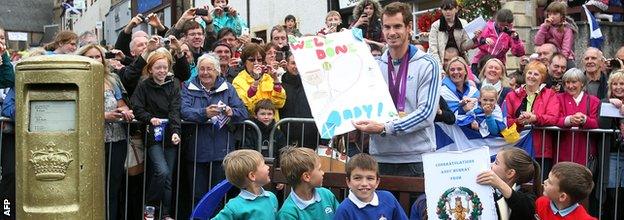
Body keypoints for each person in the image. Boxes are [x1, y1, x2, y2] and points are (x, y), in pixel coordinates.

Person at [352, 2, 441, 177]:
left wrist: (385, 127)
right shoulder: (374, 65)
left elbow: (426, 113)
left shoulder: (427, 64)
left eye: (397, 26)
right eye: (387, 27)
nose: (392, 32)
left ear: (409, 27)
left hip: (416, 158)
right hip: (381, 157)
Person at [76, 44, 135, 220]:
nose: (95, 60)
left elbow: (121, 103)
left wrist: (126, 112)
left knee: (113, 186)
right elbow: (76, 110)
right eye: (90, 57)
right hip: (90, 141)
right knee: (91, 186)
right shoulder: (77, 79)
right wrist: (103, 116)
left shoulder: (112, 79)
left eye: (98, 57)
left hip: (116, 140)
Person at [180, 54, 248, 203]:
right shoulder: (188, 87)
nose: (205, 73)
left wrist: (231, 111)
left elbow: (243, 112)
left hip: (221, 152)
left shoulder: (228, 88)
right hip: (196, 151)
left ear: (217, 71)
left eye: (209, 69)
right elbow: (184, 111)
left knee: (218, 196)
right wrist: (204, 113)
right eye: (202, 69)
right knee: (197, 196)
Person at [130, 49, 182, 219]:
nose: (161, 71)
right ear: (150, 69)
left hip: (169, 134)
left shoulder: (173, 84)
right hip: (152, 135)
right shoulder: (144, 85)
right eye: (157, 67)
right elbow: (136, 107)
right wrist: (149, 118)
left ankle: (165, 213)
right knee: (161, 171)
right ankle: (150, 208)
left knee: (168, 179)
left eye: (164, 67)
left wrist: (176, 132)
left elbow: (175, 110)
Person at [504, 61, 560, 176]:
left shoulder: (550, 94)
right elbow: (507, 120)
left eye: (536, 74)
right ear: (525, 74)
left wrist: (535, 118)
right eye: (530, 73)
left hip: (541, 149)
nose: (532, 77)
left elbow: (553, 118)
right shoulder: (512, 95)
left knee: (539, 185)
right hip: (517, 147)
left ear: (542, 78)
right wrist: (518, 121)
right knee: (517, 185)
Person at [334, 153, 408, 220]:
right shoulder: (344, 210)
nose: (364, 183)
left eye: (370, 178)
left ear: (377, 182)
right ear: (348, 182)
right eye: (357, 178)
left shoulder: (388, 199)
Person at [476, 147, 541, 220]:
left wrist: (500, 184)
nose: (491, 165)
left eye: (496, 163)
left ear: (510, 173)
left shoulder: (527, 198)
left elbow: (525, 208)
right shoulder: (489, 189)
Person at [211, 149, 278, 219]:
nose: (268, 167)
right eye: (263, 164)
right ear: (252, 176)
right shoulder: (234, 206)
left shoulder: (271, 197)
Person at [277, 147, 339, 219]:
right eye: (319, 169)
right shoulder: (288, 213)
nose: (323, 173)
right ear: (306, 176)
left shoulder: (326, 195)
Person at [280, 52, 324, 148]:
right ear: (286, 64)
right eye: (293, 63)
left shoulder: (313, 85)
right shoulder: (280, 85)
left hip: (310, 136)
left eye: (299, 63)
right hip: (286, 136)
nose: (296, 66)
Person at [556, 68, 600, 165]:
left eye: (574, 82)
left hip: (585, 148)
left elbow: (597, 123)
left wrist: (584, 120)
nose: (570, 86)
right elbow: (554, 119)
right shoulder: (558, 98)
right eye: (567, 82)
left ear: (582, 83)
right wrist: (569, 120)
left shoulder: (593, 101)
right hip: (563, 147)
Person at [232, 43, 286, 120]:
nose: (256, 63)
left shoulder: (268, 77)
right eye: (252, 60)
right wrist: (256, 81)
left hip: (272, 125)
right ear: (244, 62)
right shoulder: (238, 81)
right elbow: (248, 106)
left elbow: (279, 103)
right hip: (252, 126)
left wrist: (276, 80)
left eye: (259, 60)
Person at [599, 70, 624, 219]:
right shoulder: (605, 102)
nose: (618, 87)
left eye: (622, 83)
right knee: (612, 191)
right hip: (613, 154)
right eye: (615, 84)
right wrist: (611, 105)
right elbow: (602, 125)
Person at [428, 0, 478, 66]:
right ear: (442, 10)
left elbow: (463, 47)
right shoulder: (435, 25)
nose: (448, 12)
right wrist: (439, 69)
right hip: (441, 61)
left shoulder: (463, 23)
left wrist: (474, 39)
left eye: (451, 9)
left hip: (459, 60)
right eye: (445, 9)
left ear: (456, 9)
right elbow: (433, 50)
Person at [440, 57, 480, 127]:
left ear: (465, 72)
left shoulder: (474, 92)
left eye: (459, 69)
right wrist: (462, 110)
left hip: (472, 135)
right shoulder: (441, 93)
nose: (456, 72)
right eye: (452, 69)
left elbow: (482, 114)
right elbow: (444, 117)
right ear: (448, 73)